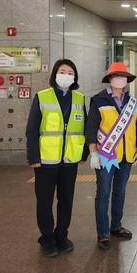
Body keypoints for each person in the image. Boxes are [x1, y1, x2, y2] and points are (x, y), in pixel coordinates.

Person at [26, 59, 88, 258]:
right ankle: (47, 238)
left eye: (71, 72)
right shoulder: (42, 97)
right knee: (44, 201)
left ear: (75, 77)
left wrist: (84, 152)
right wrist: (33, 156)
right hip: (46, 160)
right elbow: (32, 129)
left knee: (66, 200)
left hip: (70, 160)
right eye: (63, 71)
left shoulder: (79, 98)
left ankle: (62, 235)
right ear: (54, 74)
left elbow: (85, 128)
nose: (67, 75)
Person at [85, 62, 137, 251]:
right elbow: (91, 129)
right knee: (103, 194)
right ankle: (103, 232)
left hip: (126, 155)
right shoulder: (98, 100)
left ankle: (116, 225)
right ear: (110, 79)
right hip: (106, 156)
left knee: (120, 192)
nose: (120, 79)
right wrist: (93, 154)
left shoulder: (131, 101)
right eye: (117, 76)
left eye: (124, 76)